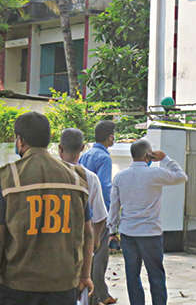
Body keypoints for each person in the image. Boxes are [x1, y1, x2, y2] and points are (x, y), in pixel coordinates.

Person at [0, 112, 94, 305]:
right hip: (64, 285)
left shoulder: (8, 177)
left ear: (20, 140)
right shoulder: (76, 177)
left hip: (18, 285)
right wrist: (85, 275)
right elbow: (88, 232)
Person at [109, 138, 187, 305]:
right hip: (151, 233)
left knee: (132, 276)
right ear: (148, 156)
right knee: (156, 275)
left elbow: (114, 207)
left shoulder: (120, 177)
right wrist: (165, 159)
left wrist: (112, 231)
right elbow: (182, 177)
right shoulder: (156, 174)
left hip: (128, 233)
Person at [59, 128, 109, 305]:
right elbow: (100, 218)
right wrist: (93, 245)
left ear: (60, 148)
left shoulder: (49, 175)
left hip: (53, 248)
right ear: (82, 148)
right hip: (79, 251)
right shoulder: (90, 178)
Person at [79, 120, 116, 305]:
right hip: (97, 215)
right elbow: (104, 187)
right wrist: (108, 215)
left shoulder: (85, 155)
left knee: (86, 256)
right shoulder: (104, 158)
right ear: (109, 137)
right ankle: (98, 295)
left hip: (82, 213)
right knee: (100, 257)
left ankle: (95, 293)